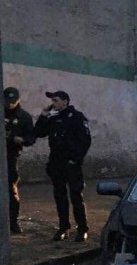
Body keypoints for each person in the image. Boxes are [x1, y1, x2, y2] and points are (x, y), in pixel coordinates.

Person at [33, 91, 91, 242]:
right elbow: (38, 133)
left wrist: (76, 159)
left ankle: (82, 228)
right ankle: (63, 227)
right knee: (60, 196)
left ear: (65, 101)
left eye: (56, 100)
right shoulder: (53, 117)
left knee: (76, 195)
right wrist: (44, 115)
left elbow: (85, 140)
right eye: (52, 100)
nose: (53, 103)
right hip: (56, 163)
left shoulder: (77, 117)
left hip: (71, 163)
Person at [4, 87, 36, 234]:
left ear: (18, 100)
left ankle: (13, 221)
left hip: (11, 156)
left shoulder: (24, 117)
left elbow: (31, 138)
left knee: (11, 189)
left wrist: (21, 140)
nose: (10, 104)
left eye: (13, 101)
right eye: (7, 101)